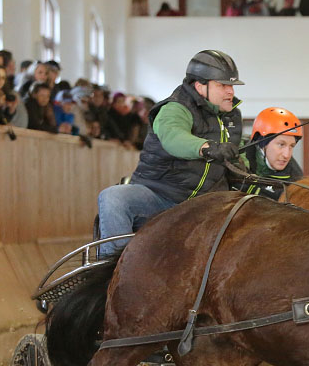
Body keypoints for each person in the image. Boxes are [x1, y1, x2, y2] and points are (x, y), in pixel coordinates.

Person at [96, 50, 244, 255]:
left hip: (208, 203)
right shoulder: (174, 109)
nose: (230, 92)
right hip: (161, 196)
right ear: (200, 86)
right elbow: (174, 138)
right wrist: (207, 147)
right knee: (113, 198)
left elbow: (236, 153)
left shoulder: (231, 116)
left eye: (232, 86)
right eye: (223, 85)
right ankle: (114, 270)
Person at [242, 107, 305, 200]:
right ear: (262, 143)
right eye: (281, 144)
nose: (286, 155)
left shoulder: (296, 181)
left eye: (292, 146)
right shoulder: (236, 160)